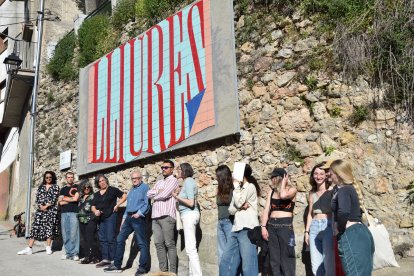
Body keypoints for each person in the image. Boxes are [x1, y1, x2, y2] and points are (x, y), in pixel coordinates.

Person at [329, 160, 374, 276]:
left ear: (338, 174)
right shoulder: (348, 188)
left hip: (350, 234)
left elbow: (343, 212)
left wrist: (340, 228)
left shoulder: (344, 190)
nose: (329, 175)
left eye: (331, 173)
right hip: (359, 232)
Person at [104, 171, 150, 275]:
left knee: (142, 243)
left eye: (137, 178)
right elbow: (128, 206)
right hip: (128, 218)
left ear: (141, 178)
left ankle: (142, 268)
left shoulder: (145, 187)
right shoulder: (132, 189)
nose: (134, 180)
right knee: (120, 239)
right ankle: (117, 265)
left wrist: (139, 213)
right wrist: (124, 219)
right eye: (132, 178)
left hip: (138, 218)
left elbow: (147, 204)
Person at [219, 164, 260, 276]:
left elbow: (237, 203)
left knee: (248, 266)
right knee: (225, 261)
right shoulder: (238, 190)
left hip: (247, 229)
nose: (232, 175)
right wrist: (240, 206)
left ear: (241, 174)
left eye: (235, 173)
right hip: (235, 229)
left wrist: (237, 190)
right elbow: (231, 210)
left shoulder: (250, 187)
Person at [261, 168, 297, 276]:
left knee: (287, 258)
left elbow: (283, 196)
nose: (272, 179)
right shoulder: (271, 192)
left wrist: (284, 184)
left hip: (285, 227)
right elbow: (266, 210)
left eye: (274, 177)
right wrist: (263, 227)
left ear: (281, 178)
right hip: (272, 226)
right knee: (274, 259)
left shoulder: (292, 190)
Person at [147, 160, 179, 274]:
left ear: (172, 169)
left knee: (169, 243)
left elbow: (165, 194)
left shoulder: (174, 180)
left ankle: (173, 272)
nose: (163, 169)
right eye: (162, 167)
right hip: (155, 216)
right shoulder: (159, 182)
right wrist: (158, 193)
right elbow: (148, 193)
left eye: (166, 167)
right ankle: (163, 271)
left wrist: (156, 194)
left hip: (167, 215)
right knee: (158, 244)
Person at [18, 171, 60, 255]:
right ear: (44, 178)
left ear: (53, 178)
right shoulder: (41, 187)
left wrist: (46, 206)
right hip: (40, 212)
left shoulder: (55, 187)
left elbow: (54, 199)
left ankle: (48, 247)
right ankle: (29, 248)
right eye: (47, 177)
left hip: (50, 211)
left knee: (49, 228)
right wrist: (41, 206)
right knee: (35, 228)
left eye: (50, 177)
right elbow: (38, 198)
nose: (48, 179)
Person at [172, 163, 203, 276]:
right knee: (191, 248)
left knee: (191, 249)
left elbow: (191, 202)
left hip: (189, 215)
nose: (177, 171)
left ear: (184, 170)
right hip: (189, 215)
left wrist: (176, 197)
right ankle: (192, 273)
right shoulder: (187, 182)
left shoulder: (189, 181)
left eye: (179, 169)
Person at [304, 164, 334, 276]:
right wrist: (306, 232)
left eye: (321, 174)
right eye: (316, 173)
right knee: (315, 264)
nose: (318, 176)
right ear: (312, 175)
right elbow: (310, 214)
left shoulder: (332, 191)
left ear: (326, 175)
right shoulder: (311, 193)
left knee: (329, 262)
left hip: (328, 226)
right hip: (314, 227)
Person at [91, 174, 127, 268]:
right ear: (97, 184)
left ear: (106, 180)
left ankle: (113, 260)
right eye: (100, 181)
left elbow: (124, 196)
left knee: (111, 238)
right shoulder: (97, 194)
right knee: (102, 239)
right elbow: (93, 206)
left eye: (103, 180)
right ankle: (105, 259)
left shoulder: (113, 190)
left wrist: (117, 205)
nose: (102, 182)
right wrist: (95, 211)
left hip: (111, 216)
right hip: (101, 218)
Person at [58, 171, 80, 261]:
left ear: (73, 178)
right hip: (64, 213)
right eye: (68, 177)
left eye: (72, 177)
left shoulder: (77, 187)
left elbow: (76, 199)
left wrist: (65, 199)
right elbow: (59, 202)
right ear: (66, 178)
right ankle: (68, 253)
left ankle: (75, 253)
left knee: (74, 233)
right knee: (65, 233)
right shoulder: (63, 189)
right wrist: (70, 199)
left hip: (74, 212)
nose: (70, 178)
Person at [77, 179, 100, 264]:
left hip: (91, 219)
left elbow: (97, 206)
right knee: (85, 239)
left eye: (88, 187)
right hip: (81, 220)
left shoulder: (93, 196)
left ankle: (94, 256)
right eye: (85, 187)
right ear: (82, 188)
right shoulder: (81, 197)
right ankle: (88, 256)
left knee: (91, 238)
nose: (87, 189)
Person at [215, 165, 234, 263]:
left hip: (229, 221)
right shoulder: (219, 188)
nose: (216, 178)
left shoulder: (232, 188)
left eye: (217, 176)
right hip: (220, 222)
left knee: (230, 252)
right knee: (221, 252)